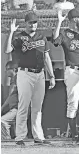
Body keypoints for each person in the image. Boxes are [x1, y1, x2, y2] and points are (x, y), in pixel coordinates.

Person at [5, 12, 56, 146]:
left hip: (40, 74)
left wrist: (51, 76)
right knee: (24, 105)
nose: (32, 24)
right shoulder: (20, 37)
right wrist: (11, 32)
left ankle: (38, 136)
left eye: (34, 22)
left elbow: (46, 57)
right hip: (25, 73)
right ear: (25, 23)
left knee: (37, 107)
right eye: (30, 22)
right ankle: (20, 137)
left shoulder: (42, 37)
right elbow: (7, 49)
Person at [53, 8, 79, 144]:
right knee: (73, 104)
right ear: (75, 20)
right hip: (73, 71)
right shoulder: (65, 33)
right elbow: (55, 41)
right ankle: (74, 135)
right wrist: (59, 22)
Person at [1, 61, 18, 140]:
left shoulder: (15, 79)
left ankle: (6, 140)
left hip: (17, 108)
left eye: (7, 69)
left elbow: (10, 96)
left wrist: (2, 108)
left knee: (2, 121)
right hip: (15, 108)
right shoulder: (15, 79)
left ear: (14, 69)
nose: (5, 71)